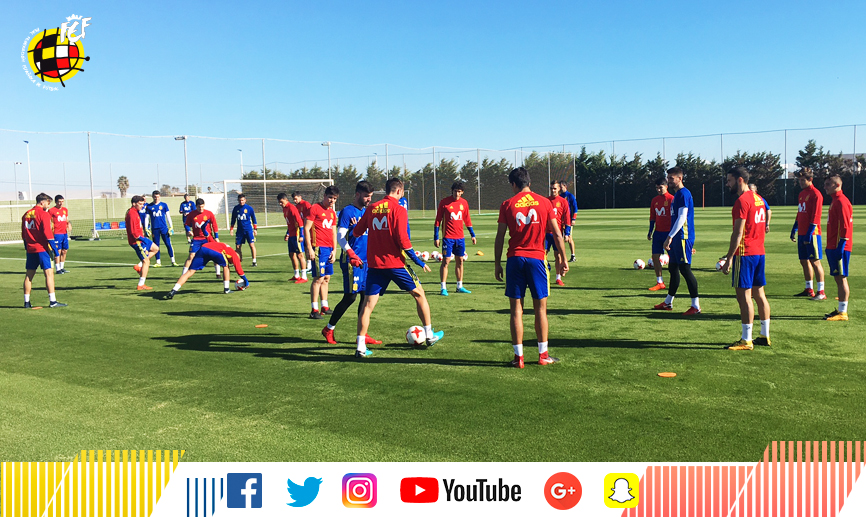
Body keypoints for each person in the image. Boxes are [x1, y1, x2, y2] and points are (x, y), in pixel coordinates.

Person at [352, 178, 444, 357]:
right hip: (395, 263)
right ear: (400, 192)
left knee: (368, 305)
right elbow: (404, 241)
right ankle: (429, 334)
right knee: (419, 294)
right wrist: (419, 262)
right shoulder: (399, 210)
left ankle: (360, 347)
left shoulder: (372, 208)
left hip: (375, 265)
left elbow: (357, 232)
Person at [494, 167, 568, 368]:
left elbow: (500, 236)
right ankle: (543, 355)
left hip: (515, 259)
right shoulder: (544, 202)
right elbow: (557, 234)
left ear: (513, 184)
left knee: (516, 310)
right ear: (529, 182)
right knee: (540, 309)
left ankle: (518, 358)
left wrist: (497, 263)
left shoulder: (507, 204)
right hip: (537, 259)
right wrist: (562, 258)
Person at [321, 181, 382, 346]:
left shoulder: (368, 211)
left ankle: (362, 334)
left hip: (367, 261)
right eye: (366, 196)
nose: (369, 199)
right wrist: (351, 253)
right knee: (350, 297)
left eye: (370, 196)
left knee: (366, 298)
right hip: (351, 262)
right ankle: (329, 328)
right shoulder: (348, 211)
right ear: (357, 195)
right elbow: (340, 237)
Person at [720, 167, 770, 350]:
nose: (728, 184)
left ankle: (746, 339)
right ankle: (764, 335)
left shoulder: (742, 201)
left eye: (729, 180)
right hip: (759, 253)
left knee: (744, 297)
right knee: (760, 295)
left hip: (745, 254)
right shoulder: (759, 199)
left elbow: (738, 232)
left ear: (740, 180)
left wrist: (729, 257)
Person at [656, 167, 701, 315]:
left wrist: (669, 236)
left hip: (683, 236)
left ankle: (696, 306)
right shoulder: (677, 196)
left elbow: (682, 218)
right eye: (668, 178)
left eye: (671, 178)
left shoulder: (684, 194)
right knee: (673, 268)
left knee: (685, 269)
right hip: (676, 237)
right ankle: (668, 302)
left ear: (680, 179)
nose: (669, 181)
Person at [22, 193, 66, 308]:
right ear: (42, 202)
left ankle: (26, 302)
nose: (48, 205)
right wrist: (55, 250)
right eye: (48, 202)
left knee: (29, 276)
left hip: (31, 249)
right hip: (42, 249)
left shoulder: (26, 214)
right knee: (49, 274)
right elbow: (48, 234)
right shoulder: (44, 214)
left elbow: (24, 235)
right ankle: (53, 301)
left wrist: (27, 247)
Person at [434, 181, 476, 296]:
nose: (457, 194)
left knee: (460, 261)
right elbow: (438, 220)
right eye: (455, 191)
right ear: (452, 191)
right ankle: (443, 287)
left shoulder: (464, 203)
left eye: (459, 191)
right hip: (448, 238)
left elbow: (467, 220)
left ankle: (459, 286)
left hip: (460, 238)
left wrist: (472, 234)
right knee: (446, 261)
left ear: (462, 192)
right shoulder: (444, 202)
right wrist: (436, 237)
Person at [165, 240, 249, 298]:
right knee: (226, 266)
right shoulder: (234, 254)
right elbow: (239, 269)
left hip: (203, 248)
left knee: (190, 271)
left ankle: (173, 290)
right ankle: (226, 289)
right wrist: (245, 280)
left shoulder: (225, 246)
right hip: (214, 251)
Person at [305, 186, 340, 319]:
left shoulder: (332, 213)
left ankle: (324, 306)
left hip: (329, 249)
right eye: (330, 197)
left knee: (326, 278)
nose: (332, 201)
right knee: (318, 278)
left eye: (335, 199)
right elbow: (307, 229)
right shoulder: (315, 208)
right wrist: (309, 248)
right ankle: (314, 309)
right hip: (318, 247)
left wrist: (334, 249)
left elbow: (333, 232)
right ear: (324, 196)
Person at [791, 168, 826, 300]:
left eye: (802, 180)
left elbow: (816, 216)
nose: (800, 182)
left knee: (815, 261)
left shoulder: (816, 194)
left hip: (812, 234)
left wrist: (809, 233)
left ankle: (821, 291)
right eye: (799, 180)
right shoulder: (802, 194)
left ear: (810, 180)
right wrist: (795, 228)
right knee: (804, 261)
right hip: (802, 233)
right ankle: (809, 288)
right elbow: (800, 212)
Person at [822, 175, 853, 321]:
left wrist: (841, 244)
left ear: (837, 185)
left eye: (828, 184)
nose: (825, 187)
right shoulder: (835, 201)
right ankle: (841, 310)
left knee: (841, 278)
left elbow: (846, 225)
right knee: (838, 278)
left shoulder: (841, 201)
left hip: (838, 246)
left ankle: (843, 312)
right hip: (833, 245)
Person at [125, 195, 159, 290]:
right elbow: (133, 232)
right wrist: (143, 239)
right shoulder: (132, 214)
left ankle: (138, 266)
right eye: (140, 204)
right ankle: (141, 284)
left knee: (156, 248)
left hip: (141, 238)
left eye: (143, 204)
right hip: (137, 241)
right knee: (146, 261)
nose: (142, 206)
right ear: (134, 204)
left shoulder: (135, 212)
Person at [647, 177, 675, 290]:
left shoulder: (672, 199)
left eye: (660, 187)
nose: (658, 190)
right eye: (657, 188)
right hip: (658, 233)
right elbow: (653, 217)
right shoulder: (655, 200)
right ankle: (660, 282)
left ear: (666, 187)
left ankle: (674, 281)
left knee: (673, 259)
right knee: (655, 256)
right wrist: (650, 231)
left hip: (669, 234)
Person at [183, 198, 221, 278]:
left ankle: (218, 273)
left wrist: (216, 237)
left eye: (202, 207)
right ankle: (184, 274)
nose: (201, 209)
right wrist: (188, 230)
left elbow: (214, 225)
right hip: (196, 239)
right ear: (196, 206)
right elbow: (186, 224)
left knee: (215, 254)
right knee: (191, 256)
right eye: (199, 207)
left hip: (208, 238)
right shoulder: (192, 214)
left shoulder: (209, 213)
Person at [278, 192, 308, 283]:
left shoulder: (292, 208)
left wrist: (302, 235)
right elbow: (290, 223)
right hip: (291, 234)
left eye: (281, 202)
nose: (280, 204)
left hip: (297, 234)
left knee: (300, 255)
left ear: (286, 200)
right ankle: (296, 275)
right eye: (279, 202)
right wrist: (287, 233)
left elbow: (299, 222)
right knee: (291, 254)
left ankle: (304, 276)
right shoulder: (284, 209)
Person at [547, 181, 571, 286]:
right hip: (546, 233)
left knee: (558, 256)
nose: (553, 190)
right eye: (551, 188)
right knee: (543, 254)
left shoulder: (563, 201)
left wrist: (567, 233)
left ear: (559, 189)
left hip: (557, 233)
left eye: (555, 188)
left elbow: (567, 218)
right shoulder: (546, 201)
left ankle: (558, 277)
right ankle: (546, 268)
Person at [145, 191, 177, 267]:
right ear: (152, 197)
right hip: (154, 229)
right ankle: (158, 262)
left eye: (158, 196)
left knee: (168, 244)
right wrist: (146, 228)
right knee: (156, 246)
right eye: (155, 197)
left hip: (164, 228)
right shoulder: (149, 206)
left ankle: (173, 261)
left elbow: (168, 216)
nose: (156, 198)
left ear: (160, 196)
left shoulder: (164, 205)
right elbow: (147, 218)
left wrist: (171, 226)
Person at [230, 193, 258, 266]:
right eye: (240, 200)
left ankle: (254, 261)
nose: (241, 202)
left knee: (251, 245)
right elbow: (233, 219)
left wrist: (255, 229)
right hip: (239, 231)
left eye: (242, 200)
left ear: (245, 200)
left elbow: (254, 219)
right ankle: (238, 261)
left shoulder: (249, 208)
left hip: (248, 230)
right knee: (238, 246)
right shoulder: (236, 208)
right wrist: (231, 229)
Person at [48, 194, 71, 274]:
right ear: (56, 202)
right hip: (57, 233)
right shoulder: (51, 210)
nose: (61, 203)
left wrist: (69, 224)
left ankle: (62, 267)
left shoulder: (65, 210)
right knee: (58, 251)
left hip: (64, 233)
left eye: (62, 201)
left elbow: (66, 219)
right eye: (59, 202)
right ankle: (58, 269)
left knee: (64, 250)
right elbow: (48, 221)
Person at [293, 191, 313, 274]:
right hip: (302, 229)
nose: (295, 201)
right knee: (304, 247)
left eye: (296, 199)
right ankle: (309, 266)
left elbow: (311, 215)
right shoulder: (296, 207)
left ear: (300, 197)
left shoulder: (306, 204)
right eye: (293, 199)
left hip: (308, 228)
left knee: (309, 247)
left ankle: (311, 266)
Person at [559, 180, 578, 262]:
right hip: (560, 220)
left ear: (565, 186)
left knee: (569, 238)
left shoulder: (570, 196)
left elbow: (575, 208)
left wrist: (573, 219)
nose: (560, 188)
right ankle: (560, 256)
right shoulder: (559, 196)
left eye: (561, 186)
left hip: (568, 220)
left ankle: (573, 255)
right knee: (559, 238)